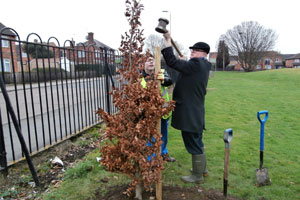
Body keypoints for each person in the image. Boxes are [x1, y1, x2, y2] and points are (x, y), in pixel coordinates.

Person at [161, 32, 211, 183]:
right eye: (191, 50)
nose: (192, 52)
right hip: (195, 112)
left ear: (203, 53)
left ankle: (197, 176)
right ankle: (202, 170)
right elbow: (184, 72)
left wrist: (168, 41)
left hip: (190, 113)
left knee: (193, 142)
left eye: (195, 51)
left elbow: (171, 61)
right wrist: (185, 62)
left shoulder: (196, 64)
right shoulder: (203, 65)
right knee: (197, 141)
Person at [142, 55, 176, 162]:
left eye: (153, 60)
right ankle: (150, 159)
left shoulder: (161, 72)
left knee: (163, 136)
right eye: (148, 60)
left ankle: (163, 153)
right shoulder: (140, 78)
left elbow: (169, 81)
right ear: (143, 64)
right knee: (150, 137)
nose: (151, 62)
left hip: (163, 112)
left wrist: (162, 78)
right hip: (148, 114)